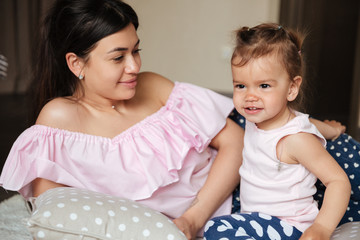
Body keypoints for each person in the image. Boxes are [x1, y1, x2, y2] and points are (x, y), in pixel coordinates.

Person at [0, 1, 351, 239]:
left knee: (340, 164)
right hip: (251, 195)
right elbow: (56, 212)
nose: (135, 66)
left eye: (136, 50)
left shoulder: (151, 85)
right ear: (77, 64)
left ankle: (322, 128)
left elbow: (233, 140)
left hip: (255, 166)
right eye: (118, 57)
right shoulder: (60, 119)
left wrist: (195, 218)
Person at [204, 23, 351, 240]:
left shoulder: (295, 139)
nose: (250, 96)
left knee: (216, 228)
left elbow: (338, 181)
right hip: (257, 222)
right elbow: (311, 122)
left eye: (264, 86)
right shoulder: (257, 121)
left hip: (288, 228)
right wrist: (332, 129)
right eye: (240, 86)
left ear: (291, 88)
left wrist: (321, 228)